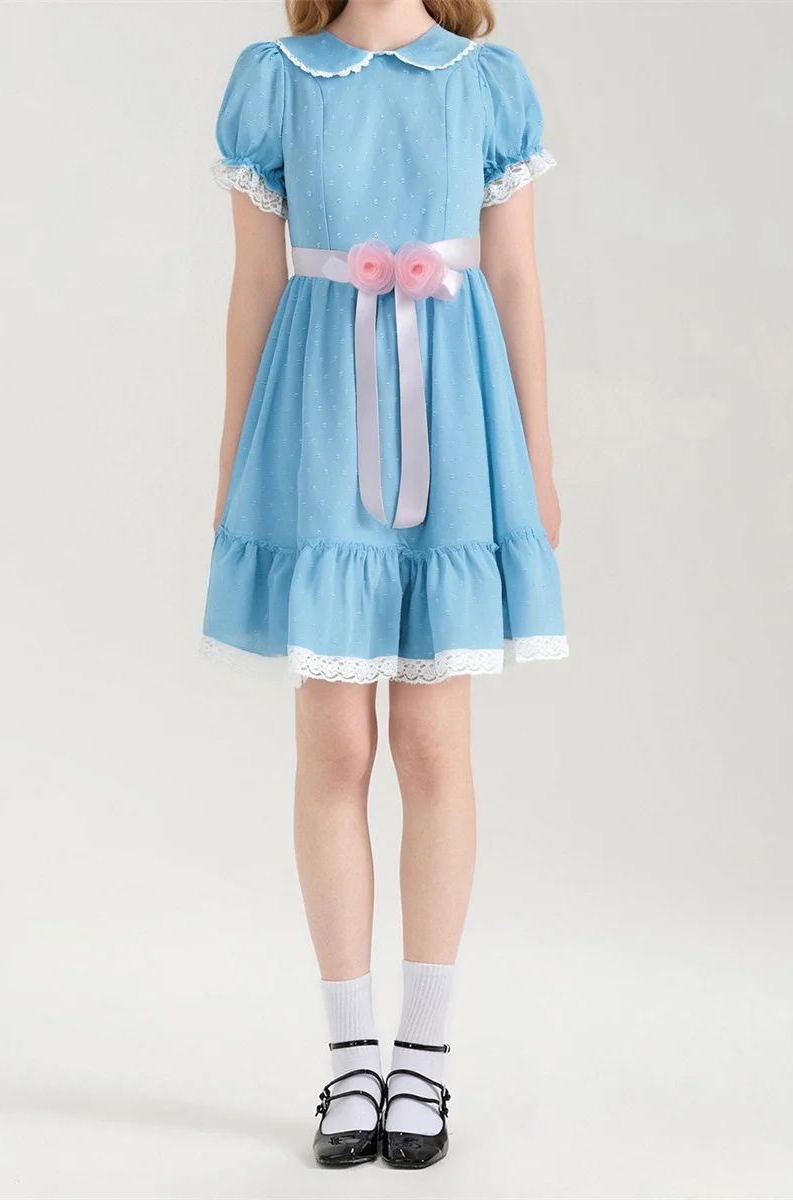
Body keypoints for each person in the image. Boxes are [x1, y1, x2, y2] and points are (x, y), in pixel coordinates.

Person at [200, 0, 567, 1170]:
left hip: (454, 427)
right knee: (334, 746)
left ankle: (425, 1057)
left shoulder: (486, 83)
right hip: (318, 427)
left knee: (433, 744)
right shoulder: (276, 80)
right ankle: (351, 1057)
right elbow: (255, 289)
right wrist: (236, 465)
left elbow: (515, 278)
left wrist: (536, 467)